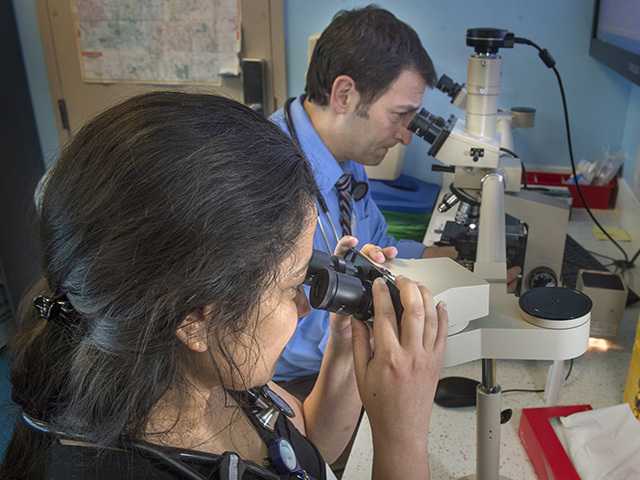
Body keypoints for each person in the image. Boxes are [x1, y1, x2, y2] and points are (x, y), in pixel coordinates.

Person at [0, 92, 448, 480]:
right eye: (292, 283)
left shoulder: (196, 366)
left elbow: (301, 449)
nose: (306, 304)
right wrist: (403, 434)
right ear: (196, 319)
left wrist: (346, 344)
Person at [270, 5, 455, 393]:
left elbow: (377, 247)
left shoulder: (344, 159)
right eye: (400, 116)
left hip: (338, 357)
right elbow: (264, 336)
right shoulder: (263, 176)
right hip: (287, 383)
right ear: (345, 95)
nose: (406, 135)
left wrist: (433, 257)